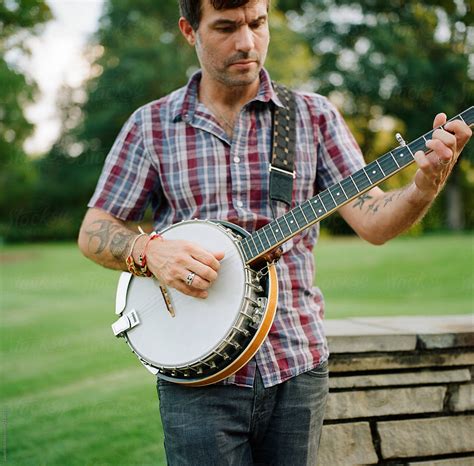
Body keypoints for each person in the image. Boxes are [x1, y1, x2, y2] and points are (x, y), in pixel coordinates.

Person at [77, 0, 472, 464]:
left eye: (257, 23)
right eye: (225, 27)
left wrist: (425, 184)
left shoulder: (313, 116)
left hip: (296, 366)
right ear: (189, 30)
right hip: (197, 378)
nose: (246, 42)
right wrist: (149, 251)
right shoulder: (151, 126)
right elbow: (95, 229)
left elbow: (375, 220)